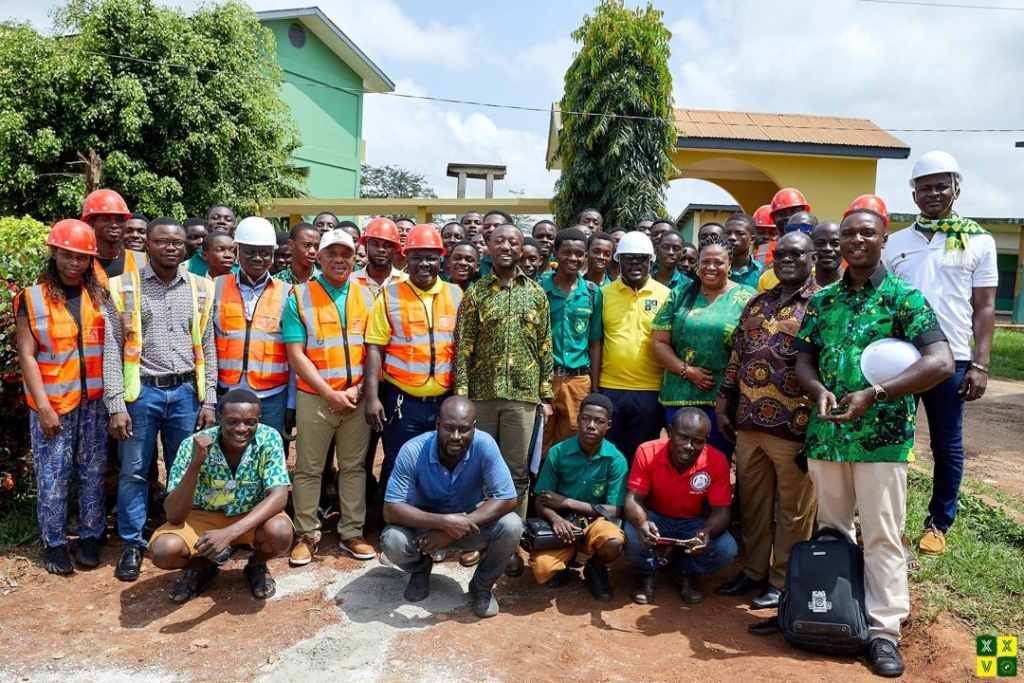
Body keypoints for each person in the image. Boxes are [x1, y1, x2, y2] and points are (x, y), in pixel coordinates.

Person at [794, 195, 954, 678]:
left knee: (883, 536)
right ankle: (839, 616)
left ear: (883, 241)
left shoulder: (903, 298)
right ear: (838, 243)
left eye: (867, 233)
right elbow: (802, 358)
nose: (857, 240)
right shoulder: (822, 301)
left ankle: (884, 632)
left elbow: (940, 362)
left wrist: (877, 392)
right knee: (832, 533)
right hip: (827, 439)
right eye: (848, 234)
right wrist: (818, 387)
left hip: (881, 441)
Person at [883, 152, 998, 558]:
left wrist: (980, 365)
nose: (933, 193)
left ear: (956, 188)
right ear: (913, 193)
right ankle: (886, 517)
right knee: (892, 439)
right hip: (901, 359)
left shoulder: (979, 241)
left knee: (947, 445)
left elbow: (984, 307)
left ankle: (938, 524)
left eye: (941, 185)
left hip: (954, 359)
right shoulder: (894, 243)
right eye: (925, 187)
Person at [104, 217, 218, 582]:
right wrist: (116, 404)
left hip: (186, 392)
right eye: (163, 241)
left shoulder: (201, 287)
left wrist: (210, 399)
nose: (171, 247)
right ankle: (132, 545)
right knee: (134, 472)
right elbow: (112, 349)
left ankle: (181, 536)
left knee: (185, 470)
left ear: (187, 247)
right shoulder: (123, 287)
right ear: (147, 245)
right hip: (141, 393)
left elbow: (209, 347)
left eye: (178, 242)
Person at [714, 231, 820, 610]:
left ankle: (781, 579)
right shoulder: (758, 303)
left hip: (795, 427)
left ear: (812, 257)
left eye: (797, 254)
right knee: (755, 505)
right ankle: (754, 571)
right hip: (748, 423)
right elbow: (736, 358)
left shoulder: (822, 304)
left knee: (793, 510)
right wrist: (723, 404)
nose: (787, 259)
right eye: (781, 254)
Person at [454, 223, 553, 577]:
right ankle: (476, 539)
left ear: (520, 247)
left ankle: (509, 543)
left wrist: (545, 394)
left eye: (513, 241)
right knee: (477, 472)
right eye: (500, 241)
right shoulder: (476, 293)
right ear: (488, 248)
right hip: (481, 396)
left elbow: (545, 347)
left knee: (515, 476)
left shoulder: (536, 294)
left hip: (523, 397)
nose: (507, 247)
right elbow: (463, 349)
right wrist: (462, 397)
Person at [16, 220, 109, 575]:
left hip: (95, 402)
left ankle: (89, 536)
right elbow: (27, 354)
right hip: (54, 404)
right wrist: (42, 407)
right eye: (67, 255)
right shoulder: (32, 297)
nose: (74, 263)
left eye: (82, 257)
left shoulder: (99, 294)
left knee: (93, 472)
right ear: (53, 253)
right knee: (53, 477)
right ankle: (53, 543)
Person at [380, 397, 523, 618]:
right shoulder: (413, 451)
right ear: (437, 425)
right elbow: (391, 509)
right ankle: (420, 568)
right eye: (449, 428)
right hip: (424, 531)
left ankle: (481, 586)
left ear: (474, 428)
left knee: (512, 525)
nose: (456, 436)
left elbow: (508, 498)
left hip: (468, 526)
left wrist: (453, 529)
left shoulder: (485, 445)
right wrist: (444, 523)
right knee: (393, 541)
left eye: (464, 430)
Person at [283, 228, 376, 565]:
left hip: (357, 397)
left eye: (346, 254)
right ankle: (307, 534)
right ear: (318, 258)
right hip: (316, 398)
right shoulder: (299, 296)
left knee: (354, 468)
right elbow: (296, 354)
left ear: (355, 258)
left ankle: (352, 532)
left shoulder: (368, 296)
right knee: (309, 469)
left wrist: (359, 390)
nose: (339, 260)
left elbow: (375, 350)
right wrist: (329, 393)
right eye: (331, 254)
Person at [148, 390, 293, 603]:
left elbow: (279, 496)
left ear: (258, 420)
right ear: (219, 419)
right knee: (163, 551)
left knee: (280, 532)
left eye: (250, 422)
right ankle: (200, 567)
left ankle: (256, 565)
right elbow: (174, 515)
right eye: (232, 421)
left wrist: (230, 533)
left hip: (249, 514)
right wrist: (196, 463)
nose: (241, 429)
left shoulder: (269, 438)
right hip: (202, 515)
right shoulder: (192, 444)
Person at [364, 224, 463, 496]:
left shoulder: (456, 295)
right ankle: (391, 523)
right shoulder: (390, 295)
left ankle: (430, 518)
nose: (424, 263)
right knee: (398, 461)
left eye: (431, 257)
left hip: (444, 400)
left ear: (441, 258)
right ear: (406, 258)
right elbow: (375, 348)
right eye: (417, 256)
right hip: (401, 402)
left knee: (442, 462)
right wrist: (372, 398)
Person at [651, 234, 755, 461]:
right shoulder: (680, 294)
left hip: (725, 402)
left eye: (718, 262)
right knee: (679, 463)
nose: (711, 267)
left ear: (729, 265)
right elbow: (659, 343)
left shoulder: (747, 298)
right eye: (705, 261)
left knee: (716, 462)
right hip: (679, 394)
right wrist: (689, 371)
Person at [624, 408, 737, 605]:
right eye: (683, 437)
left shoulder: (717, 460)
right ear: (670, 431)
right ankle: (647, 573)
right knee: (632, 534)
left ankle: (685, 571)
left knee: (726, 548)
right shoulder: (647, 451)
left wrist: (707, 533)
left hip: (694, 523)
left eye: (698, 441)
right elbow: (634, 499)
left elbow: (722, 511)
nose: (689, 446)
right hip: (656, 518)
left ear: (706, 439)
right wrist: (642, 523)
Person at [530, 394, 627, 601]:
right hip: (562, 526)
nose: (591, 425)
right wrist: (556, 518)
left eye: (599, 421)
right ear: (578, 419)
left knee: (613, 542)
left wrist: (567, 502)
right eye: (586, 419)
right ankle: (564, 563)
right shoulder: (558, 452)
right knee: (542, 570)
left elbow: (615, 510)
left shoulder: (616, 459)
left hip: (594, 525)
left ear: (608, 425)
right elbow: (540, 499)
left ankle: (595, 567)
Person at [212, 217, 292, 438]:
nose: (258, 258)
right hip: (227, 391)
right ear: (237, 251)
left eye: (265, 252)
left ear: (273, 254)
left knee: (268, 454)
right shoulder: (215, 287)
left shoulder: (288, 293)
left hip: (273, 395)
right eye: (249, 252)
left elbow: (294, 353)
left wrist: (292, 402)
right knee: (224, 455)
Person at [599, 231, 670, 465]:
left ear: (651, 261)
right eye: (628, 258)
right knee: (610, 455)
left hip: (650, 390)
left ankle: (634, 501)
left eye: (641, 258)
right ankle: (611, 502)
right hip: (610, 387)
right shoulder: (603, 294)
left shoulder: (667, 296)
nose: (635, 263)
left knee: (642, 455)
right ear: (618, 261)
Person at [539, 228, 603, 454]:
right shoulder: (539, 289)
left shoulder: (593, 293)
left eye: (579, 253)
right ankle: (538, 488)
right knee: (540, 441)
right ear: (555, 253)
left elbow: (595, 343)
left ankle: (562, 489)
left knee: (572, 442)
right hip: (544, 379)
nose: (573, 258)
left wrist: (594, 387)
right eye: (567, 252)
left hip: (578, 381)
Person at [81, 189, 146, 281]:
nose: (114, 225)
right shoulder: (80, 262)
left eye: (120, 220)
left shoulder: (140, 260)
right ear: (91, 222)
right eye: (105, 219)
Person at [758, 211, 820, 292]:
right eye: (791, 228)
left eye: (805, 228)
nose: (798, 232)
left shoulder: (826, 274)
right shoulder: (767, 277)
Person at [354, 217, 407, 296]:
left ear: (395, 250)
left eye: (388, 245)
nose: (381, 249)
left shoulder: (407, 282)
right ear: (366, 247)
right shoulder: (350, 281)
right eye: (375, 244)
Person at [724, 213, 762, 288]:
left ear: (752, 239)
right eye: (728, 233)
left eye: (740, 233)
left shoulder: (761, 271)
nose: (732, 237)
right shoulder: (717, 269)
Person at [476, 210, 513, 278]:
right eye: (486, 227)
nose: (491, 230)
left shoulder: (521, 263)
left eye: (497, 226)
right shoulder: (476, 265)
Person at [811, 220, 843, 287]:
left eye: (835, 243)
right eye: (820, 243)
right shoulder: (800, 291)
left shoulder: (858, 286)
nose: (827, 248)